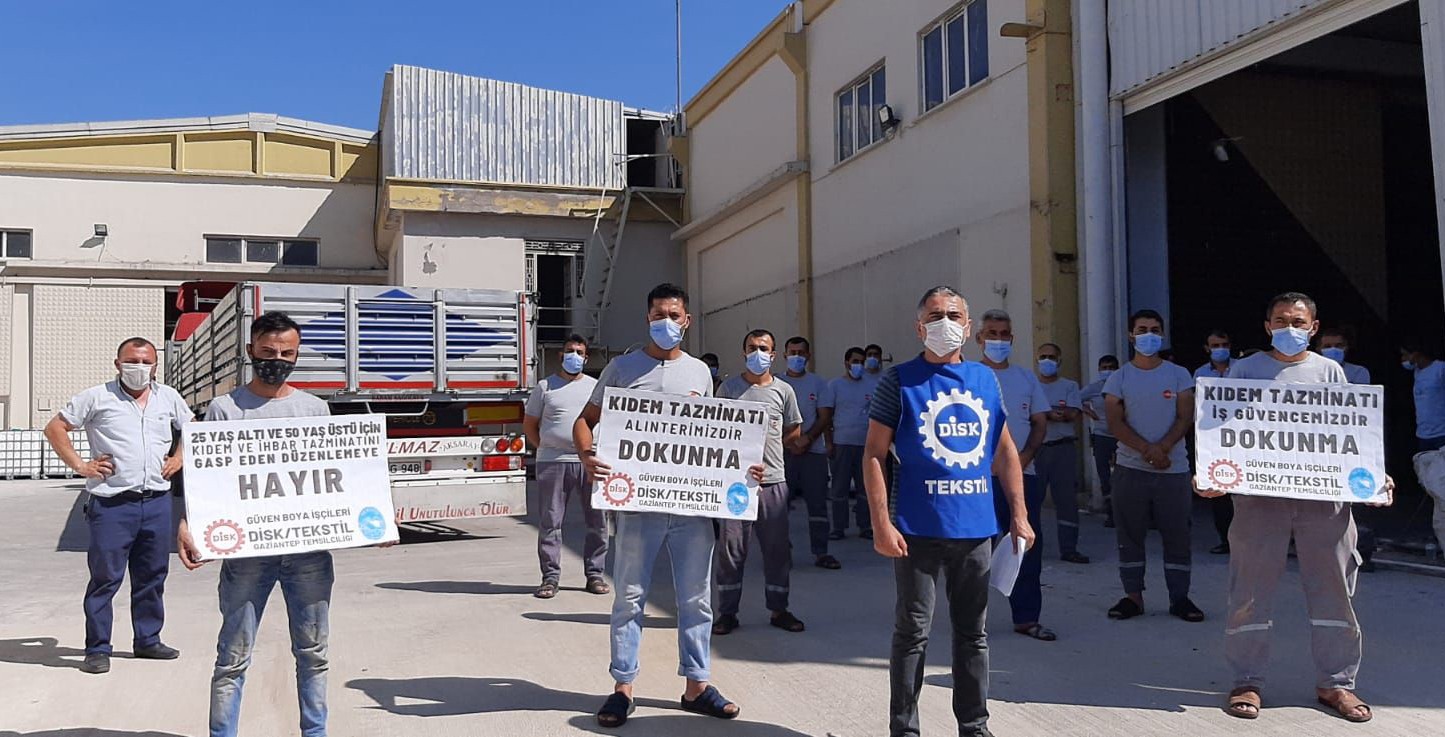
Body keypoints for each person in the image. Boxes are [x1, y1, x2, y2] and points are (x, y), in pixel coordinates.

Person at [177, 312, 382, 737]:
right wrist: (187, 523)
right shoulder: (225, 409)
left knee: (313, 654)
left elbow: (339, 475)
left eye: (287, 353)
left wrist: (374, 518)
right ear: (251, 350)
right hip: (247, 556)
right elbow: (204, 480)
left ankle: (315, 732)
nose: (278, 359)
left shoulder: (314, 409)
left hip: (307, 556)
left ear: (297, 354)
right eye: (269, 352)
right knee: (232, 656)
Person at [573, 283, 763, 728]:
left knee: (696, 598)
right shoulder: (622, 368)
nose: (667, 323)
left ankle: (697, 685)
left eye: (674, 315)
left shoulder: (700, 373)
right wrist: (586, 456)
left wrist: (742, 471)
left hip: (692, 509)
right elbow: (586, 420)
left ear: (687, 321)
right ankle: (623, 687)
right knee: (630, 598)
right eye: (659, 315)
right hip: (638, 506)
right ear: (647, 319)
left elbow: (720, 438)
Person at [1198, 292, 1393, 723]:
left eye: (1298, 321)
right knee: (1249, 590)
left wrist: (1376, 476)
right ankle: (1246, 680)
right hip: (1259, 501)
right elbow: (1222, 430)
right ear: (1267, 326)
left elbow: (1352, 434)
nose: (1290, 328)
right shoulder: (1245, 370)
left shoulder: (1331, 372)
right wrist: (1211, 474)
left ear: (1314, 327)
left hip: (1323, 501)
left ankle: (1336, 683)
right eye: (1281, 320)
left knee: (1334, 591)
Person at [866, 286, 1035, 737]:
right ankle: (904, 728)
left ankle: (974, 725)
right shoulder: (898, 381)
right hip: (915, 529)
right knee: (912, 633)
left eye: (953, 314)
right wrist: (881, 524)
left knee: (972, 635)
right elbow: (874, 455)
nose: (945, 323)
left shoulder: (984, 380)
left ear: (968, 324)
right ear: (920, 327)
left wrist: (1018, 514)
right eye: (936, 315)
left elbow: (1004, 451)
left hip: (976, 528)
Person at [43, 337, 192, 675]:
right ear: (117, 364)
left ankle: (148, 640)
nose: (139, 368)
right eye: (132, 361)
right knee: (105, 578)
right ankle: (97, 648)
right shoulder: (97, 397)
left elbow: (191, 427)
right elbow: (55, 428)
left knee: (152, 576)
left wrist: (179, 457)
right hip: (112, 506)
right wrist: (82, 466)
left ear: (156, 365)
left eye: (146, 362)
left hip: (155, 502)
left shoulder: (168, 397)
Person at [1103, 309, 1204, 622]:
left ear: (1162, 335)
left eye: (1155, 329)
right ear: (1131, 335)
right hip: (1130, 469)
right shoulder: (1118, 378)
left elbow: (1185, 416)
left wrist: (1164, 448)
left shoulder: (1179, 374)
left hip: (1173, 470)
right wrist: (1147, 449)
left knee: (1178, 536)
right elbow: (1115, 423)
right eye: (1142, 329)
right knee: (1129, 535)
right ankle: (1133, 597)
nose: (1149, 335)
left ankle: (1180, 598)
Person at [714, 330, 807, 635]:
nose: (758, 353)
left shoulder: (784, 391)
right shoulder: (728, 389)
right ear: (743, 353)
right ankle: (727, 612)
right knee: (731, 550)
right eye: (752, 348)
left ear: (774, 354)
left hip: (773, 483)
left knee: (777, 550)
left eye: (763, 348)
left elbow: (794, 430)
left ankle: (779, 609)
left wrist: (769, 454)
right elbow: (715, 433)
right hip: (735, 486)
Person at [977, 309, 1055, 641]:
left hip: (1024, 477)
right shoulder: (968, 376)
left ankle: (1026, 617)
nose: (997, 340)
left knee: (1024, 547)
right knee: (974, 552)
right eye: (991, 334)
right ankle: (972, 622)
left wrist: (1021, 460)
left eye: (1003, 334)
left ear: (1012, 338)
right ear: (979, 338)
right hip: (978, 480)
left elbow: (1039, 423)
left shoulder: (1026, 378)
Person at [524, 334, 607, 599]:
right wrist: (547, 447)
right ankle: (550, 578)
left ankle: (595, 574)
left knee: (598, 522)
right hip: (553, 462)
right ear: (561, 355)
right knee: (550, 522)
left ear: (586, 357)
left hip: (589, 462)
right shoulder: (545, 387)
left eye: (579, 351)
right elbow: (530, 424)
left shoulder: (596, 388)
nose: (574, 355)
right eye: (569, 350)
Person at [778, 336, 841, 569]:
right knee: (778, 508)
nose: (796, 357)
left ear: (808, 356)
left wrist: (807, 438)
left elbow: (824, 417)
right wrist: (788, 442)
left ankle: (821, 552)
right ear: (784, 355)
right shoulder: (775, 383)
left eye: (801, 352)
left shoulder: (819, 384)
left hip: (813, 453)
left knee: (817, 506)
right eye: (792, 352)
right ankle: (781, 553)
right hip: (781, 455)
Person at [1034, 342, 1089, 564]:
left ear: (1059, 361)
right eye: (1043, 356)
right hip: (1037, 450)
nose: (1047, 361)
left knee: (1066, 501)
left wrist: (1046, 412)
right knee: (1031, 501)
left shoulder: (1069, 385)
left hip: (1063, 449)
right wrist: (1050, 412)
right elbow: (1030, 413)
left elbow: (1073, 413)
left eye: (1052, 357)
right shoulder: (1031, 385)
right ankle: (1031, 549)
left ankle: (1069, 548)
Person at [1194, 329, 1237, 553]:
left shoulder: (1242, 369)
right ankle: (1225, 540)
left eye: (1224, 344)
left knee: (1243, 497)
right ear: (1207, 348)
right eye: (1215, 345)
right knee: (1219, 494)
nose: (1220, 349)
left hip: (1241, 438)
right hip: (1214, 440)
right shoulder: (1200, 374)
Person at [828, 346, 876, 540]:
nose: (858, 365)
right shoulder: (835, 385)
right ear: (847, 362)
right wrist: (829, 443)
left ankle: (865, 526)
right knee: (839, 488)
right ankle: (838, 527)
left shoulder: (871, 385)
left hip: (865, 444)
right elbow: (826, 416)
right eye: (855, 361)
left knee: (865, 489)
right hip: (842, 443)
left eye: (861, 362)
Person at [1080, 355, 1120, 528]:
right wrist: (1090, 412)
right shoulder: (1094, 388)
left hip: (1122, 437)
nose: (1107, 370)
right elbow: (1075, 399)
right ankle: (1111, 513)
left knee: (1123, 477)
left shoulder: (1123, 385)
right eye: (1104, 367)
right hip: (1102, 436)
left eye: (1111, 367)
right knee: (1105, 477)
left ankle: (1126, 513)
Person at [1399, 336, 1445, 451]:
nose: (1403, 358)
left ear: (1415, 354)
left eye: (1405, 354)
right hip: (1423, 434)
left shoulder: (1440, 369)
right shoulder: (1417, 371)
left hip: (1441, 433)